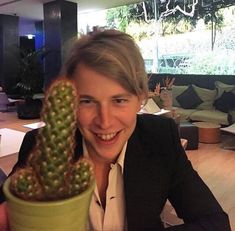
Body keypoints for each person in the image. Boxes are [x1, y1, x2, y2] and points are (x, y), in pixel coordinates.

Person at [0, 29, 231, 231]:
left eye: (119, 100)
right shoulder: (40, 145)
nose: (105, 121)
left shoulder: (161, 138)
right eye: (87, 101)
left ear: (141, 97)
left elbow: (215, 222)